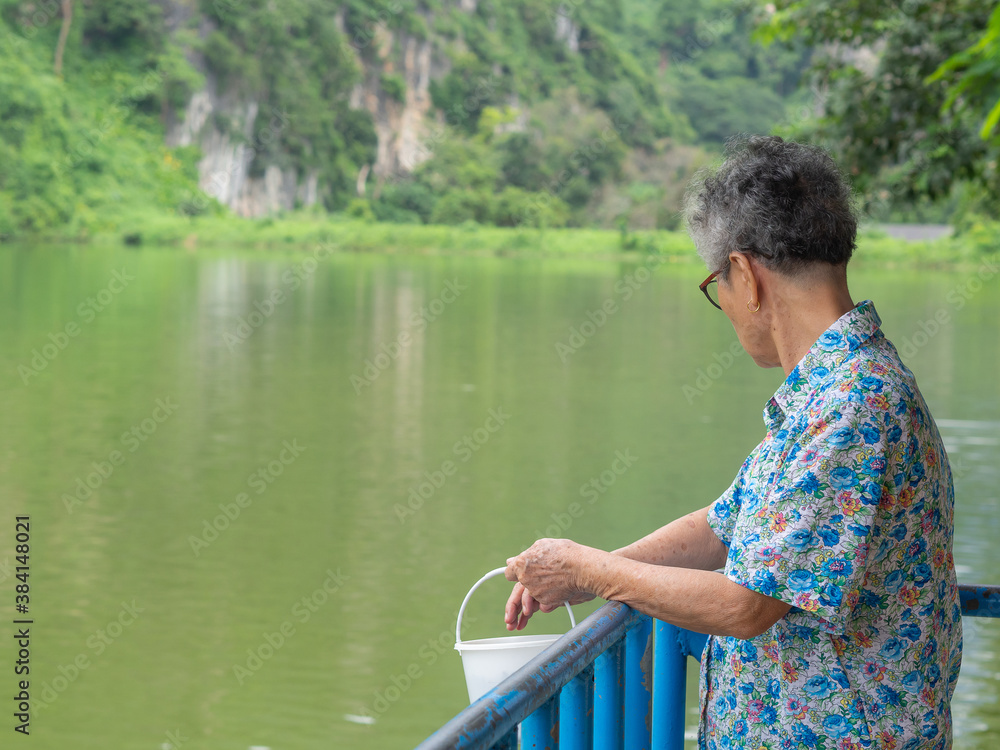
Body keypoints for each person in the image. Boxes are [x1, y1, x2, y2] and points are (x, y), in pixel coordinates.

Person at [503, 135, 963, 749]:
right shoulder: (835, 390)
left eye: (715, 282)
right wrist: (586, 574)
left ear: (745, 275)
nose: (722, 301)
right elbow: (724, 526)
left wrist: (593, 568)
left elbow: (747, 604)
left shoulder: (854, 404)